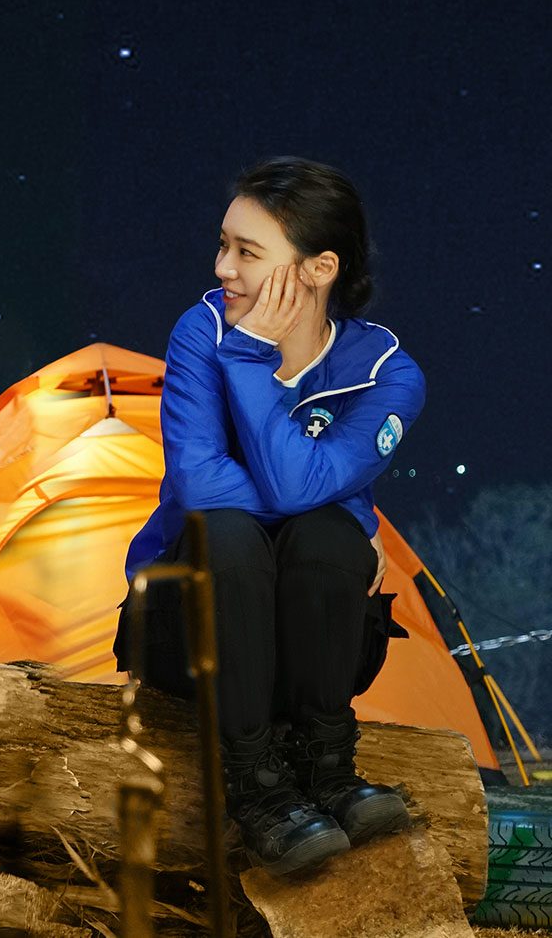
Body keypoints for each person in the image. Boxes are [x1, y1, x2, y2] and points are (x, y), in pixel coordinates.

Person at [114, 155, 426, 877]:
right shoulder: (202, 333)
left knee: (329, 537)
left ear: (320, 269)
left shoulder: (387, 375)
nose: (222, 267)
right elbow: (198, 484)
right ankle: (254, 784)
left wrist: (326, 501)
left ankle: (328, 766)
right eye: (223, 244)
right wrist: (252, 359)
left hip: (315, 647)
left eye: (247, 252)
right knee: (228, 529)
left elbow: (294, 490)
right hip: (190, 635)